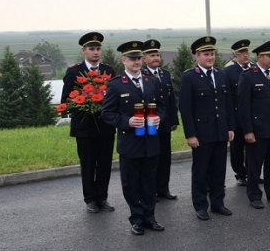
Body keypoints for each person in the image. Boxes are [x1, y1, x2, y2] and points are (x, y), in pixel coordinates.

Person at [100, 41, 165, 235]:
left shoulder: (151, 80)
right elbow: (106, 113)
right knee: (131, 183)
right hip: (130, 143)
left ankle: (150, 217)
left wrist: (159, 118)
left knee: (149, 182)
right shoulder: (117, 84)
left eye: (138, 58)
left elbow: (162, 106)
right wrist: (127, 121)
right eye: (132, 59)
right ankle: (136, 219)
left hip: (151, 140)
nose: (136, 62)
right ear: (123, 60)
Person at [179, 36, 235, 221]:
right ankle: (201, 205)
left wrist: (230, 127)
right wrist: (191, 134)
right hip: (202, 134)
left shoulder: (220, 75)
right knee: (201, 171)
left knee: (219, 171)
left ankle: (218, 203)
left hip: (220, 131)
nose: (210, 57)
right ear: (197, 56)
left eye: (212, 54)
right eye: (206, 54)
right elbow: (186, 109)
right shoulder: (189, 77)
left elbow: (226, 104)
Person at [61, 32, 116, 213]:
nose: (95, 52)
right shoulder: (74, 72)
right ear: (83, 50)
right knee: (88, 164)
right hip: (84, 128)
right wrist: (86, 106)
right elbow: (66, 102)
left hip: (106, 127)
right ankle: (90, 199)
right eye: (91, 49)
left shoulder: (109, 71)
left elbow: (116, 98)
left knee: (105, 164)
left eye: (98, 48)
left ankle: (102, 197)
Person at [237, 40, 270, 209]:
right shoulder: (248, 75)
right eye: (269, 55)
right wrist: (248, 131)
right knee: (254, 166)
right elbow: (244, 106)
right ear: (260, 57)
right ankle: (254, 195)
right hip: (258, 130)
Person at [142, 39, 179, 201]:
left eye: (157, 54)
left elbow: (170, 100)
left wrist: (173, 120)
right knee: (151, 159)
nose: (155, 58)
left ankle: (164, 189)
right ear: (144, 59)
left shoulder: (165, 74)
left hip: (164, 124)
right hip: (149, 124)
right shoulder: (142, 75)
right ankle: (151, 191)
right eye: (151, 55)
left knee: (165, 157)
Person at [224, 39, 253, 186]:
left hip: (252, 116)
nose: (245, 55)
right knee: (237, 148)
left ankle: (251, 172)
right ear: (236, 55)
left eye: (247, 52)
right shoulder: (228, 71)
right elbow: (227, 97)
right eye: (242, 53)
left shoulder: (254, 69)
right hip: (236, 117)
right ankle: (240, 173)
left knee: (253, 147)